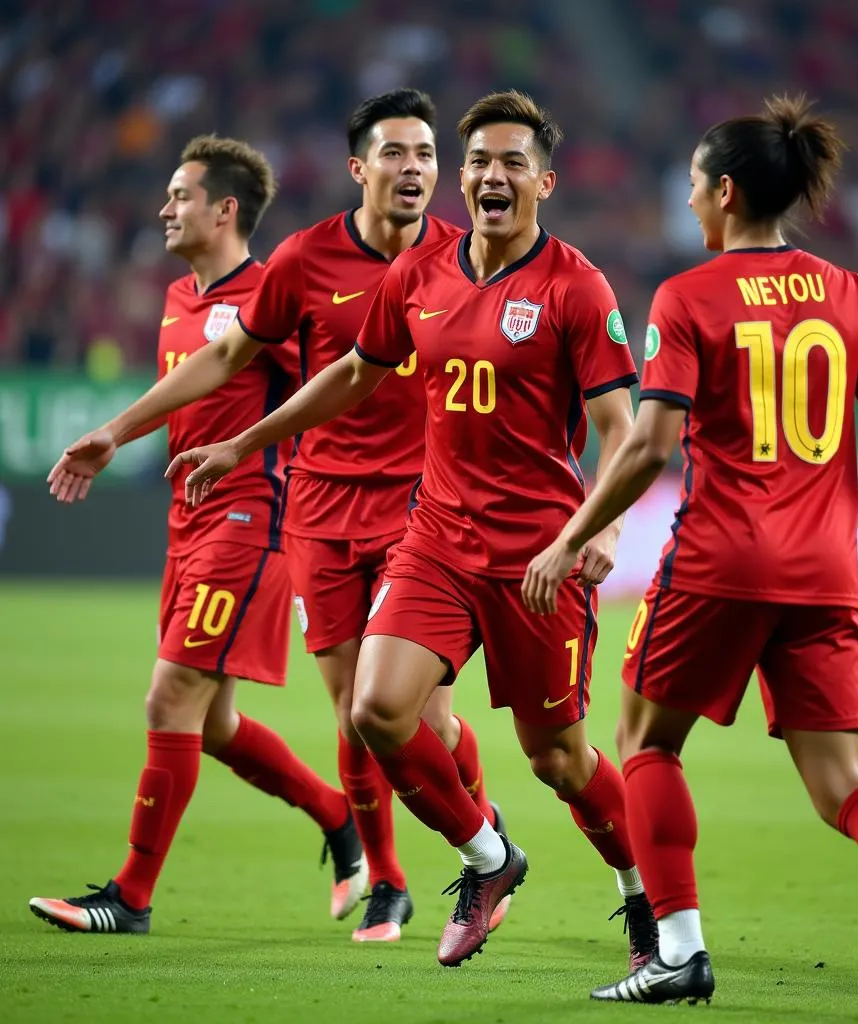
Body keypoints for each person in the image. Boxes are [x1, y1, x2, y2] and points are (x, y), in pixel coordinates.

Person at [521, 95, 858, 1021]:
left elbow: (651, 446)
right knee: (845, 788)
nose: (692, 205)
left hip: (717, 562)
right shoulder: (849, 291)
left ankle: (678, 951)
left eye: (696, 189)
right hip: (824, 572)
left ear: (728, 190)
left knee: (646, 743)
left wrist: (573, 533)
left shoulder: (688, 296)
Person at [167, 90, 659, 971]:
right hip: (434, 537)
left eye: (512, 162)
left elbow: (621, 429)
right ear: (462, 180)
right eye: (477, 162)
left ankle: (642, 892)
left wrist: (601, 531)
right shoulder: (420, 274)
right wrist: (244, 439)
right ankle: (488, 857)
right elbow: (355, 372)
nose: (490, 175)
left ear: (544, 181)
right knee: (377, 711)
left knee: (558, 758)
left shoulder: (576, 287)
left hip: (538, 554)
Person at [35, 89, 505, 943]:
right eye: (395, 153)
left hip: (420, 510)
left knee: (412, 714)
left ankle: (482, 844)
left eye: (426, 154)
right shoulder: (304, 260)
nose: (415, 168)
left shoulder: (466, 258)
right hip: (322, 509)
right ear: (360, 168)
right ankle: (393, 877)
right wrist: (115, 432)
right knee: (352, 717)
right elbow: (229, 357)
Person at [29, 135, 367, 934]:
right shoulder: (182, 297)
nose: (164, 209)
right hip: (189, 522)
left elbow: (343, 383)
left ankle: (131, 898)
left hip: (253, 517)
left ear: (225, 209)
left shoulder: (273, 297)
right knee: (210, 725)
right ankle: (336, 817)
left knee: (168, 697)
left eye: (180, 195)